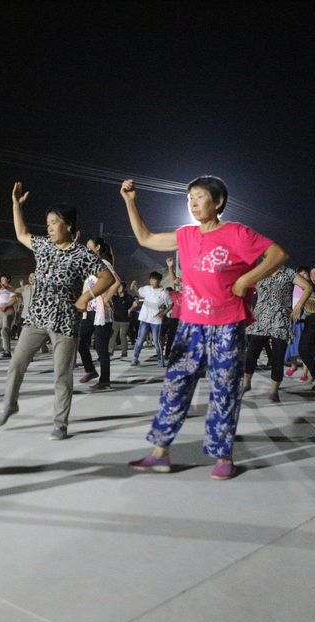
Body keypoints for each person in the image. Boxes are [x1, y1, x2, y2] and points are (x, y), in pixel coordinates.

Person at [121, 176, 287, 479]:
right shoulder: (185, 234)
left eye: (199, 197)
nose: (193, 204)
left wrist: (246, 279)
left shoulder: (236, 233)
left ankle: (223, 455)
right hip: (190, 326)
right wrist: (131, 202)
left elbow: (277, 255)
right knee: (175, 387)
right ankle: (160, 453)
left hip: (227, 324)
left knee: (224, 390)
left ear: (219, 202)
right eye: (190, 199)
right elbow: (145, 238)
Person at [0, 183, 112, 439]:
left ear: (68, 225)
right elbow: (21, 233)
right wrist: (16, 205)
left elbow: (107, 277)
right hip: (35, 318)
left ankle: (60, 424)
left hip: (66, 322)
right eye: (47, 222)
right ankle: (9, 404)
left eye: (54, 222)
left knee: (62, 375)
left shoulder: (82, 253)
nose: (48, 227)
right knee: (16, 364)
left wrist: (86, 296)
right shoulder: (44, 245)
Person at [243, 263, 312, 402]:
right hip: (261, 319)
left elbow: (308, 287)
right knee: (251, 353)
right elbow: (247, 287)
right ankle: (246, 384)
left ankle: (274, 392)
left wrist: (299, 306)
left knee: (277, 357)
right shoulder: (260, 271)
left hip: (281, 319)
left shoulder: (289, 273)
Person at [78, 237, 119, 390]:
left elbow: (117, 282)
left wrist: (107, 298)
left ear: (98, 247)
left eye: (90, 247)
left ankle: (105, 380)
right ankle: (90, 370)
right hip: (89, 310)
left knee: (101, 348)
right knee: (80, 341)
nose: (87, 250)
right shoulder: (90, 266)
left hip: (101, 312)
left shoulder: (104, 264)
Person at [130, 271, 171, 366]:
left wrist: (164, 313)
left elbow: (170, 304)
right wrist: (135, 283)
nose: (152, 282)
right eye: (151, 280)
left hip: (156, 320)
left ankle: (160, 360)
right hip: (144, 318)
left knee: (156, 341)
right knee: (140, 339)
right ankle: (135, 358)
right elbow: (138, 291)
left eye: (155, 280)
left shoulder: (163, 292)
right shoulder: (147, 289)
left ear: (159, 281)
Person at [0, 275, 17, 357]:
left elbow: (13, 300)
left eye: (3, 279)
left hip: (7, 311)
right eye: (0, 280)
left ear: (8, 280)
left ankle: (7, 350)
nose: (1, 281)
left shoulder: (10, 289)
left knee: (4, 330)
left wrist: (5, 306)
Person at [108, 281, 134, 358]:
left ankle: (124, 351)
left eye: (121, 287)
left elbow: (135, 303)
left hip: (125, 320)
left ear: (125, 288)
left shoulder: (128, 297)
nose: (120, 288)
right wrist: (111, 308)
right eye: (118, 287)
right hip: (116, 319)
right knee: (113, 335)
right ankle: (110, 351)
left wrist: (130, 310)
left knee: (122, 336)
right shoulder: (115, 297)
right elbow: (107, 299)